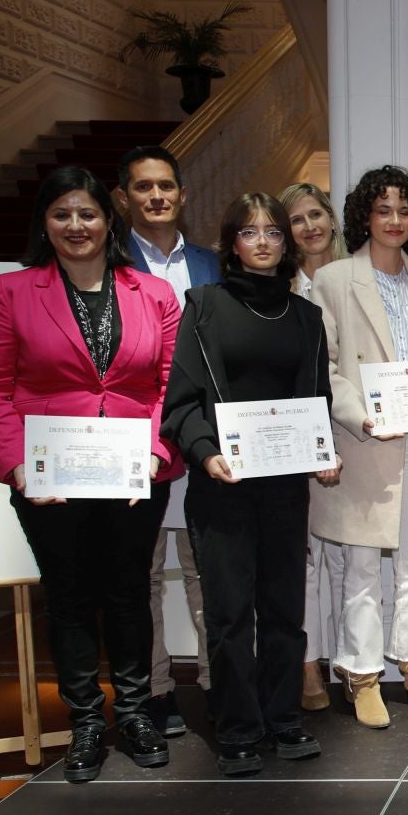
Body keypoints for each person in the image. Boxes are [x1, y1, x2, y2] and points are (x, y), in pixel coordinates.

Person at [0, 165, 182, 782]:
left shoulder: (155, 295)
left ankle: (136, 713)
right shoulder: (12, 291)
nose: (76, 225)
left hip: (133, 472)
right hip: (49, 479)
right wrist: (19, 468)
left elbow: (171, 384)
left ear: (109, 219)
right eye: (62, 214)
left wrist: (156, 452)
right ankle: (87, 723)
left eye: (87, 213)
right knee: (68, 599)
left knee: (128, 592)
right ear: (45, 223)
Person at [161, 193, 339, 776]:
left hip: (286, 484)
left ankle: (283, 717)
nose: (263, 240)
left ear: (285, 244)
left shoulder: (306, 317)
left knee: (285, 609)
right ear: (231, 242)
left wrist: (324, 453)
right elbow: (181, 405)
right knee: (231, 613)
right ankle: (238, 728)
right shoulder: (204, 306)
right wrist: (206, 455)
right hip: (225, 483)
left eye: (272, 231)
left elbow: (317, 401)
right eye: (249, 231)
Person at [304, 165, 408, 728]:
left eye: (404, 210)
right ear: (365, 214)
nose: (394, 220)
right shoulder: (335, 279)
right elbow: (328, 366)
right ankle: (362, 675)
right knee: (361, 566)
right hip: (365, 439)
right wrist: (364, 417)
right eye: (383, 209)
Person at [118, 145, 219, 739]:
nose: (156, 197)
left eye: (165, 186)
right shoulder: (108, 265)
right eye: (142, 187)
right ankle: (154, 692)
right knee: (143, 577)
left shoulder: (210, 263)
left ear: (182, 193)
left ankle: (216, 682)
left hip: (203, 437)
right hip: (137, 440)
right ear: (125, 198)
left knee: (208, 571)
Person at [279, 181, 343, 713]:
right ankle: (308, 669)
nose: (310, 227)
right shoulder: (280, 288)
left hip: (353, 433)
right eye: (297, 219)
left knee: (345, 558)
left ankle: (352, 665)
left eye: (317, 214)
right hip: (295, 436)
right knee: (302, 561)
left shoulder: (357, 277)